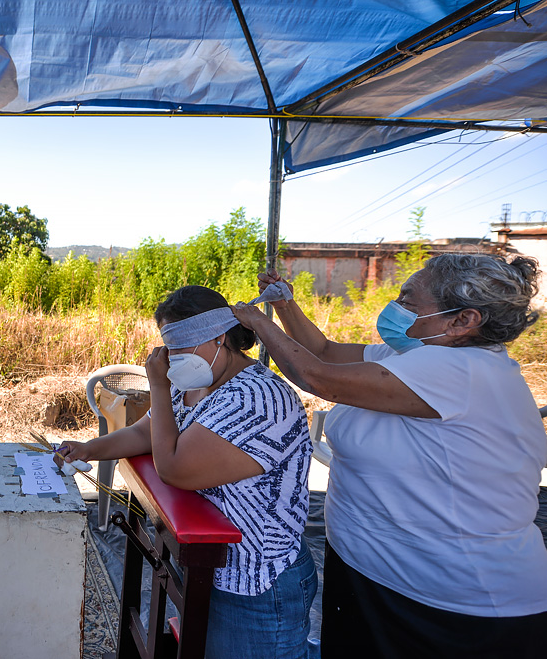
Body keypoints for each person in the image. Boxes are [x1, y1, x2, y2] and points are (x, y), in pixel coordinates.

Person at [231, 254, 547, 659]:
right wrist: (283, 304)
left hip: (452, 600)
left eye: (409, 300)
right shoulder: (410, 359)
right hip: (381, 575)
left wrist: (258, 323)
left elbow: (317, 377)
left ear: (462, 321)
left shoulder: (460, 370)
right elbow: (323, 351)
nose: (396, 308)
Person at [57, 286, 316, 659]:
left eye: (181, 346)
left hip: (257, 580)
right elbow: (146, 431)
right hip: (215, 567)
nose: (172, 358)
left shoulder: (256, 398)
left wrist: (159, 386)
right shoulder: (198, 383)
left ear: (221, 338)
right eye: (168, 347)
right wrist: (89, 449)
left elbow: (174, 467)